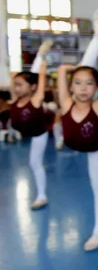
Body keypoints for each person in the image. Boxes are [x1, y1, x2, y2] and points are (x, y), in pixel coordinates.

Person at [56, 10, 98, 251]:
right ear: (70, 86)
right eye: (77, 83)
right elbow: (61, 74)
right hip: (76, 142)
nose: (83, 88)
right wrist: (70, 67)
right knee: (83, 69)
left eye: (89, 84)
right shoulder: (66, 103)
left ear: (97, 89)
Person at [9, 39, 55, 209]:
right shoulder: (16, 99)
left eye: (21, 85)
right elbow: (19, 82)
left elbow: (39, 79)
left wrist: (43, 65)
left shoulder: (35, 99)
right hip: (23, 130)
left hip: (38, 133)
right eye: (16, 86)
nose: (17, 88)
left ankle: (42, 196)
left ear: (33, 87)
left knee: (35, 163)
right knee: (33, 163)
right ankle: (40, 54)